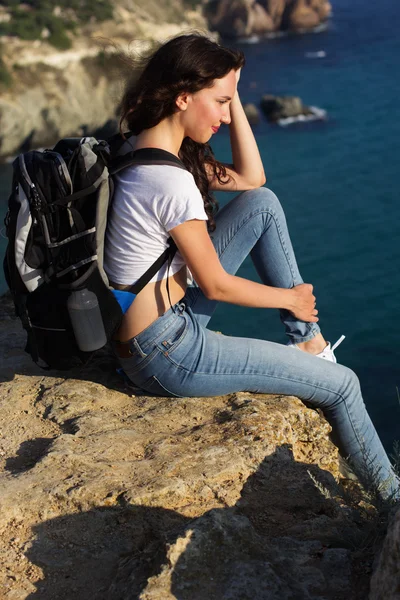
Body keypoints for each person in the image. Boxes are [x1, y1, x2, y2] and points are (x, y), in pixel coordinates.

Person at [104, 33, 399, 500]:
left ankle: (309, 344)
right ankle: (393, 505)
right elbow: (216, 285)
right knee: (343, 386)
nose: (225, 115)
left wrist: (232, 92)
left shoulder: (134, 149)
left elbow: (251, 180)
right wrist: (293, 299)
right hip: (165, 351)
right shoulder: (170, 181)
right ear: (183, 97)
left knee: (261, 204)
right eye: (219, 102)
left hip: (154, 324)